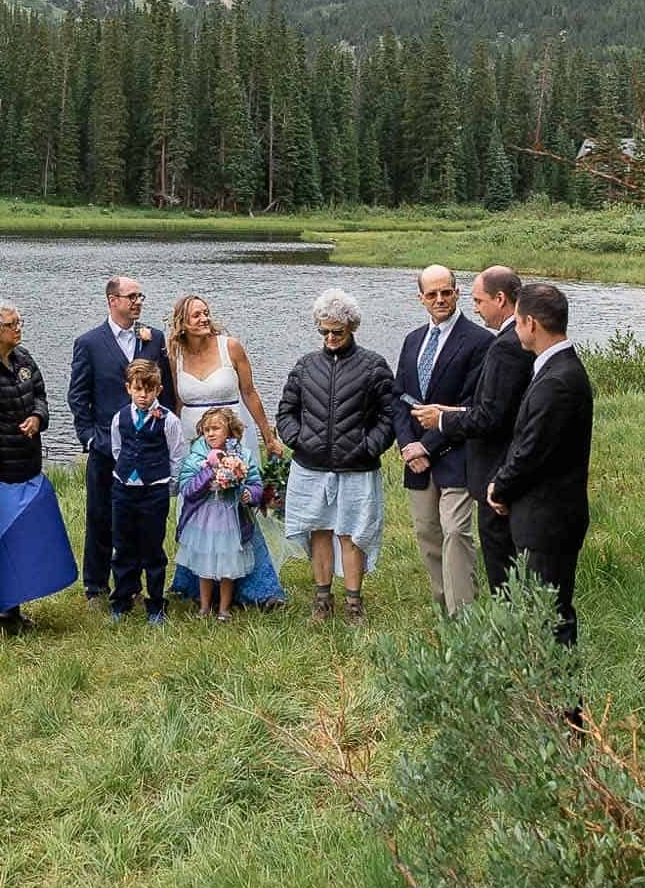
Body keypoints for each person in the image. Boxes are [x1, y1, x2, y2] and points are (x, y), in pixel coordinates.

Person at [275, 287, 400, 622]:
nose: (330, 337)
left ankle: (354, 603)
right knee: (319, 531)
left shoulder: (374, 366)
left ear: (352, 328)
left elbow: (390, 415)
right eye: (324, 331)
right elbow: (286, 410)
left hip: (357, 468)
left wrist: (369, 446)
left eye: (337, 332)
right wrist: (297, 439)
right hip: (310, 466)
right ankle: (321, 600)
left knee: (352, 533)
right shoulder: (305, 366)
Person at [485, 281, 593, 649]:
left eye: (516, 321)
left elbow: (532, 448)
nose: (514, 329)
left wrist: (500, 487)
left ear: (531, 323)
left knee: (552, 617)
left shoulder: (559, 380)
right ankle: (545, 702)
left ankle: (568, 708)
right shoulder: (555, 368)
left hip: (549, 520)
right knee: (540, 613)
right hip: (544, 516)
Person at [164, 292, 289, 610]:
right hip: (195, 441)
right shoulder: (174, 354)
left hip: (235, 438)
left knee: (237, 508)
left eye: (206, 313)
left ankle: (255, 589)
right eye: (196, 315)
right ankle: (196, 585)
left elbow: (250, 392)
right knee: (198, 506)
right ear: (182, 323)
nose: (204, 318)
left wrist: (268, 436)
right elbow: (176, 404)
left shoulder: (229, 345)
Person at [0, 297, 78, 633]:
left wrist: (37, 417)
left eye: (19, 322)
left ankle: (11, 609)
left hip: (28, 462)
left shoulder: (24, 358)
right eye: (12, 325)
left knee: (20, 538)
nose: (19, 329)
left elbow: (40, 394)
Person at [422, 267, 534, 593]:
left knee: (503, 567)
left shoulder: (505, 346)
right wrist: (456, 411)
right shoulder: (516, 340)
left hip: (495, 471)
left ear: (500, 299)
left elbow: (492, 418)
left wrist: (443, 421)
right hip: (506, 470)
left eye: (479, 300)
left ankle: (510, 634)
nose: (475, 307)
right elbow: (500, 407)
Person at [68, 275, 175, 602]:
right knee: (100, 517)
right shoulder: (89, 342)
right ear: (112, 300)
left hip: (148, 446)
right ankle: (96, 587)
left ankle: (137, 587)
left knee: (142, 521)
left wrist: (162, 429)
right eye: (131, 296)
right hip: (105, 447)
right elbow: (77, 396)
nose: (138, 302)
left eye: (140, 296)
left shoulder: (154, 338)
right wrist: (89, 438)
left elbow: (166, 390)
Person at [394, 264, 492, 617]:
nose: (440, 299)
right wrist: (408, 445)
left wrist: (428, 445)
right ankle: (443, 609)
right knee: (428, 535)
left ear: (457, 292)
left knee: (456, 534)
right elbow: (399, 399)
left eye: (446, 292)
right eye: (431, 294)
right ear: (420, 297)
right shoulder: (412, 340)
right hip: (417, 461)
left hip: (458, 457)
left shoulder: (481, 342)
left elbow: (471, 405)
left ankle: (463, 615)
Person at [106, 358, 188, 622]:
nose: (143, 396)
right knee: (123, 545)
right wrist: (126, 472)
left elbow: (177, 455)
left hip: (154, 490)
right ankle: (123, 597)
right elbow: (118, 449)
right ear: (128, 388)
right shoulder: (120, 418)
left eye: (149, 390)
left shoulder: (169, 420)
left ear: (158, 391)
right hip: (124, 489)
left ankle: (156, 602)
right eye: (138, 389)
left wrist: (169, 485)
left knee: (152, 547)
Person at [175, 407, 265, 617]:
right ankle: (204, 606)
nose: (211, 433)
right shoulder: (197, 454)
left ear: (230, 431)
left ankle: (224, 607)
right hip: (203, 517)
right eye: (206, 430)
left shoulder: (242, 455)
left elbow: (256, 485)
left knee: (228, 562)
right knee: (204, 560)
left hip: (230, 516)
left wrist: (247, 494)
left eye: (216, 428)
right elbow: (187, 488)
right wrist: (209, 471)